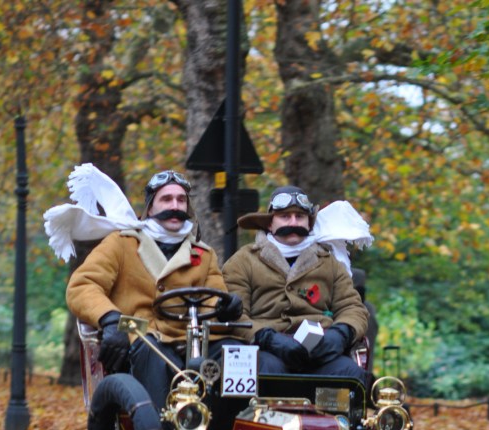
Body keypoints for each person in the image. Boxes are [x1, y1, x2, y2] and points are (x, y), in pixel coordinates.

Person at [47, 166, 242, 411]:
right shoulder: (122, 243)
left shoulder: (203, 254)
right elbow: (82, 286)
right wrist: (110, 319)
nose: (175, 205)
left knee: (237, 355)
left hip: (191, 338)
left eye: (181, 200)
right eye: (167, 199)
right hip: (139, 333)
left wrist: (225, 307)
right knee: (159, 358)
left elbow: (212, 298)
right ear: (150, 207)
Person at [222, 186, 369, 385]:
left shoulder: (330, 263)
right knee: (269, 371)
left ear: (309, 223)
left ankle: (339, 419)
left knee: (350, 374)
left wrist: (340, 334)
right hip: (265, 350)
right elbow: (235, 315)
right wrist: (266, 338)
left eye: (300, 216)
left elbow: (353, 308)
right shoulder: (242, 261)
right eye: (285, 216)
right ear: (270, 223)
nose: (293, 222)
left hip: (319, 353)